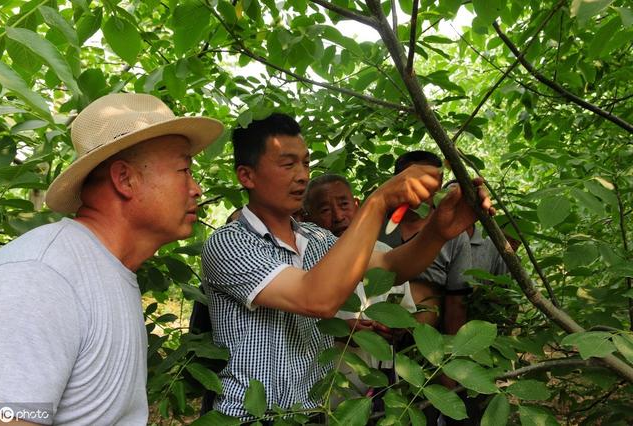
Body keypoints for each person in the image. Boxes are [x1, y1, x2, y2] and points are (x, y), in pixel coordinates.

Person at [201, 113, 493, 420]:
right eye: (288, 164)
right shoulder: (230, 243)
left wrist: (438, 230)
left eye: (305, 163)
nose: (302, 175)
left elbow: (390, 266)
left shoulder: (318, 238)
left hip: (312, 413)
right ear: (247, 176)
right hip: (252, 417)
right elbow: (316, 299)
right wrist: (378, 202)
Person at [0, 93, 223, 425]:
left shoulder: (106, 271)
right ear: (125, 179)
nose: (196, 188)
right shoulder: (40, 279)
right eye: (184, 169)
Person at [304, 173, 416, 398]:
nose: (338, 216)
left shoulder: (384, 254)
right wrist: (336, 331)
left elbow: (407, 314)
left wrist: (397, 328)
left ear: (357, 206)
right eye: (325, 210)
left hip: (384, 388)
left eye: (344, 205)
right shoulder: (305, 262)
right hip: (329, 392)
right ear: (308, 218)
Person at [379, 151, 472, 335]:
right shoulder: (376, 225)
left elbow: (457, 301)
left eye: (427, 181)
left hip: (426, 340)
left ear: (439, 184)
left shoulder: (454, 235)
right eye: (412, 180)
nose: (419, 189)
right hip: (372, 332)